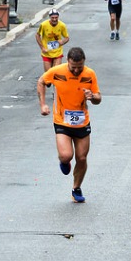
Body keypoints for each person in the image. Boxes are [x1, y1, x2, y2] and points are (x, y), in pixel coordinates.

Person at [37, 47, 101, 203]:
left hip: (82, 122)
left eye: (80, 67)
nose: (77, 70)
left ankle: (76, 188)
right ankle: (64, 161)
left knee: (82, 157)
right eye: (74, 67)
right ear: (68, 62)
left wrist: (92, 96)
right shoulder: (57, 71)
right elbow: (41, 82)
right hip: (62, 120)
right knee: (67, 155)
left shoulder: (90, 74)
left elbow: (98, 98)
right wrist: (43, 105)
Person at [35, 9, 70, 73]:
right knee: (48, 75)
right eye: (52, 18)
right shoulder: (43, 25)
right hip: (47, 53)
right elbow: (37, 35)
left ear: (58, 17)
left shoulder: (62, 25)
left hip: (57, 52)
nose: (54, 19)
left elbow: (67, 38)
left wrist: (62, 42)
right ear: (49, 17)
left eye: (56, 18)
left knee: (56, 73)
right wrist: (42, 48)